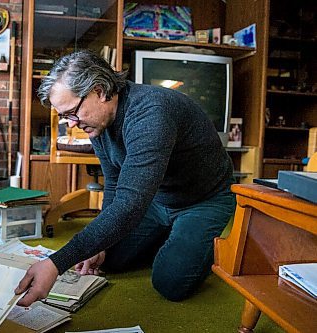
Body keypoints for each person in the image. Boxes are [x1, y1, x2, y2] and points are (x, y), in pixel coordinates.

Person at [15, 50, 236, 305]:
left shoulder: (151, 113)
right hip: (156, 198)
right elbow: (114, 184)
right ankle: (169, 237)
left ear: (99, 91)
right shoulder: (98, 123)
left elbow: (130, 204)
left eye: (71, 113)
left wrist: (57, 263)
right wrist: (99, 244)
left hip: (203, 200)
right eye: (65, 117)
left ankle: (197, 242)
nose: (71, 124)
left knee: (170, 283)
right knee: (109, 258)